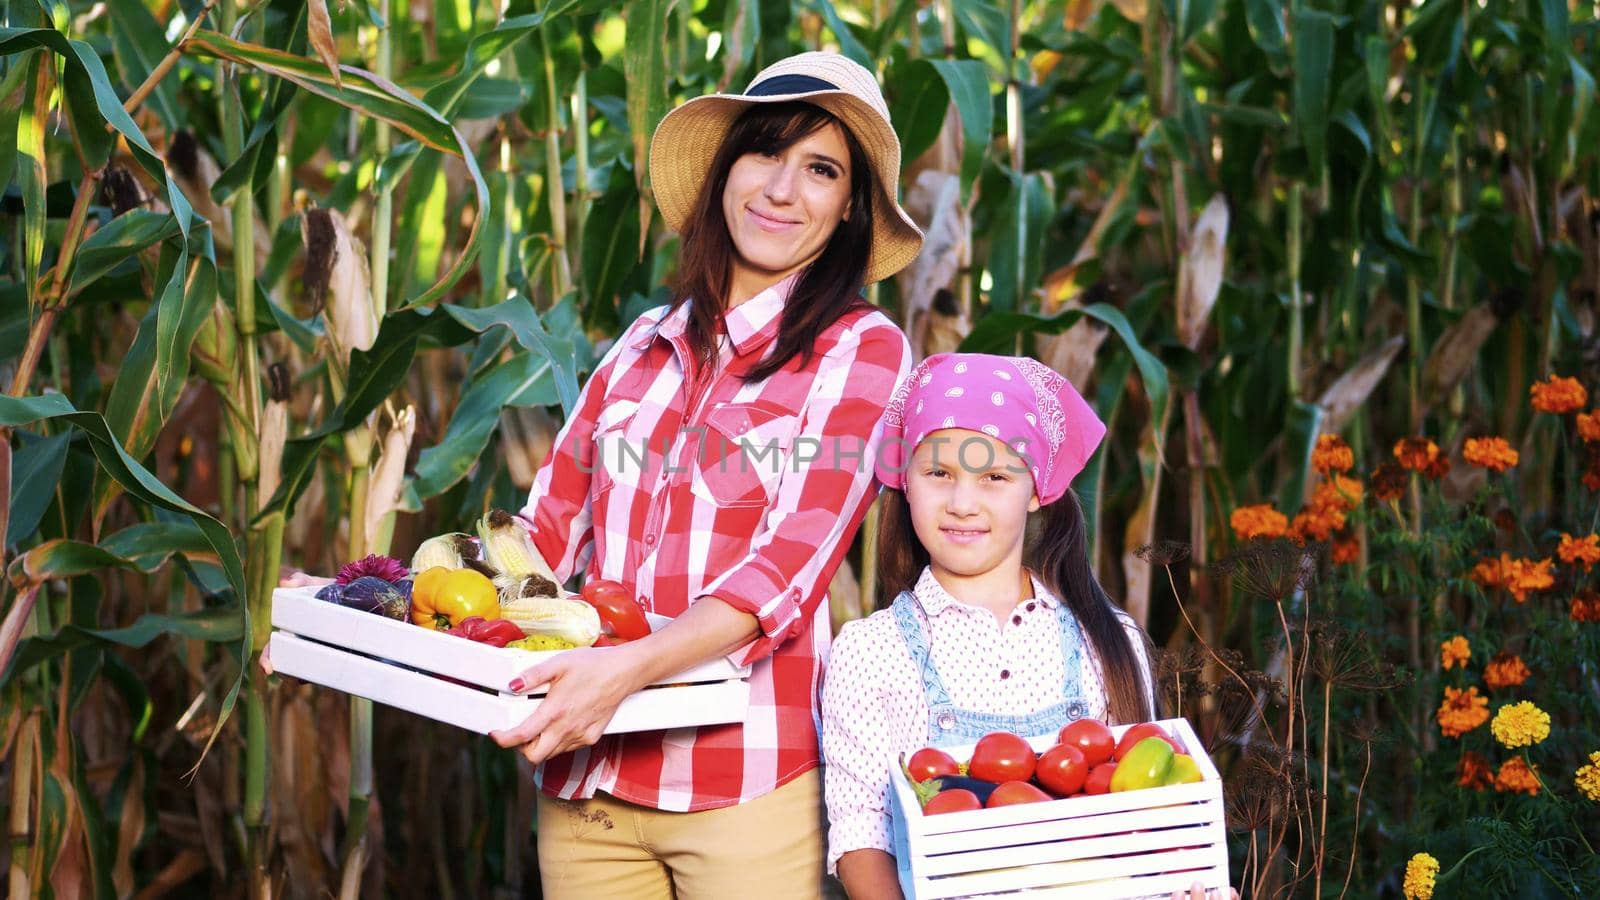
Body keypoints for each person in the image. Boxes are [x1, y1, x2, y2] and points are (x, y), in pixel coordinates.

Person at [486, 52, 924, 899]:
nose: (782, 188)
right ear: (726, 172)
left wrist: (627, 668)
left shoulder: (861, 351)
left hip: (746, 790)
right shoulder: (645, 342)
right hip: (590, 789)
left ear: (848, 210)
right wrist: (388, 604)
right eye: (765, 151)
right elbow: (544, 530)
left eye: (821, 169)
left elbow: (785, 572)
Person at [823, 352, 1194, 899]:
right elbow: (862, 834)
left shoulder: (1109, 641)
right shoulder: (870, 650)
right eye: (938, 473)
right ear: (906, 482)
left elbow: (1142, 818)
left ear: (1038, 488)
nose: (962, 503)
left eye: (994, 476)